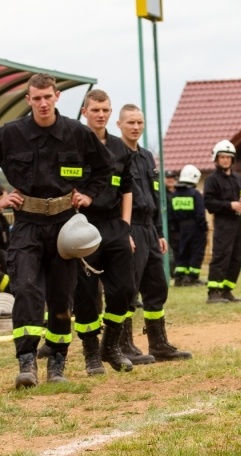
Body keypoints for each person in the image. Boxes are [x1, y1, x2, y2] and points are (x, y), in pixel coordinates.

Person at [0, 73, 111, 388]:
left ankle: (57, 364)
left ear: (57, 96)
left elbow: (104, 167)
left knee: (61, 296)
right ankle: (27, 363)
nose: (43, 103)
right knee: (27, 289)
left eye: (48, 97)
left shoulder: (77, 134)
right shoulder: (10, 134)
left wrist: (87, 193)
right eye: (37, 98)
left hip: (64, 226)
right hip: (27, 223)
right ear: (27, 99)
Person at [72, 89, 154, 375]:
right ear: (85, 112)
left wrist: (126, 226)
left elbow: (127, 188)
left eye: (105, 110)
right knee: (85, 294)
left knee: (125, 290)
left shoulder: (120, 147)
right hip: (83, 226)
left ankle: (111, 346)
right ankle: (91, 353)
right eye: (95, 110)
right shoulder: (73, 143)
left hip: (114, 225)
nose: (101, 114)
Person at [116, 103, 192, 361]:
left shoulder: (147, 157)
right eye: (130, 123)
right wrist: (122, 232)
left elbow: (155, 195)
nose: (136, 127)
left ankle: (158, 344)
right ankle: (123, 345)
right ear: (119, 125)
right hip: (130, 228)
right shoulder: (114, 155)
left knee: (157, 286)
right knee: (128, 288)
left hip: (149, 228)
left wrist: (159, 232)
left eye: (139, 122)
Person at [204, 139, 241, 303]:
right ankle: (213, 292)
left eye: (228, 157)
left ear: (233, 159)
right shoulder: (212, 180)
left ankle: (227, 291)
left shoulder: (238, 178)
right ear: (216, 159)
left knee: (236, 257)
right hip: (223, 224)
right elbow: (208, 202)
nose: (225, 160)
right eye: (222, 157)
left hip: (238, 224)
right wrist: (229, 205)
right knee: (221, 257)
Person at [170, 164, 208, 287]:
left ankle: (179, 278)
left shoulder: (174, 195)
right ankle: (192, 278)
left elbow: (171, 215)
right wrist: (204, 228)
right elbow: (200, 214)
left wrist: (176, 229)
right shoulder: (195, 194)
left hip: (181, 229)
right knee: (197, 252)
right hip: (196, 228)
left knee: (183, 252)